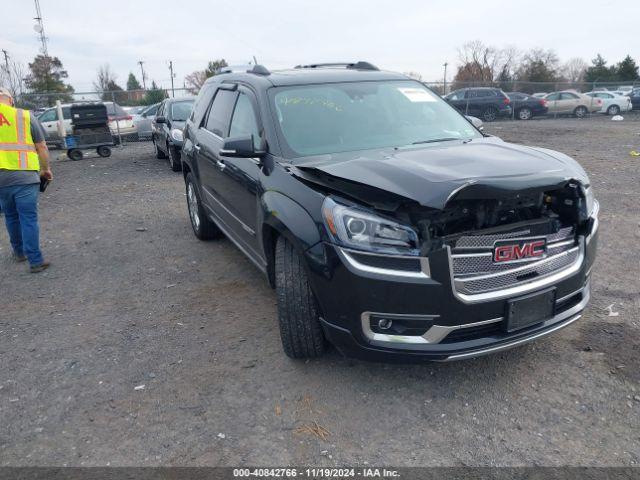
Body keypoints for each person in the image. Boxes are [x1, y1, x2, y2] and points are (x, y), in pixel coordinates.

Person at [0, 87, 53, 273]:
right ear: (11, 99)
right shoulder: (24, 116)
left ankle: (19, 252)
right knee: (28, 218)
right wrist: (45, 169)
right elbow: (42, 146)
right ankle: (35, 261)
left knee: (11, 215)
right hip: (25, 176)